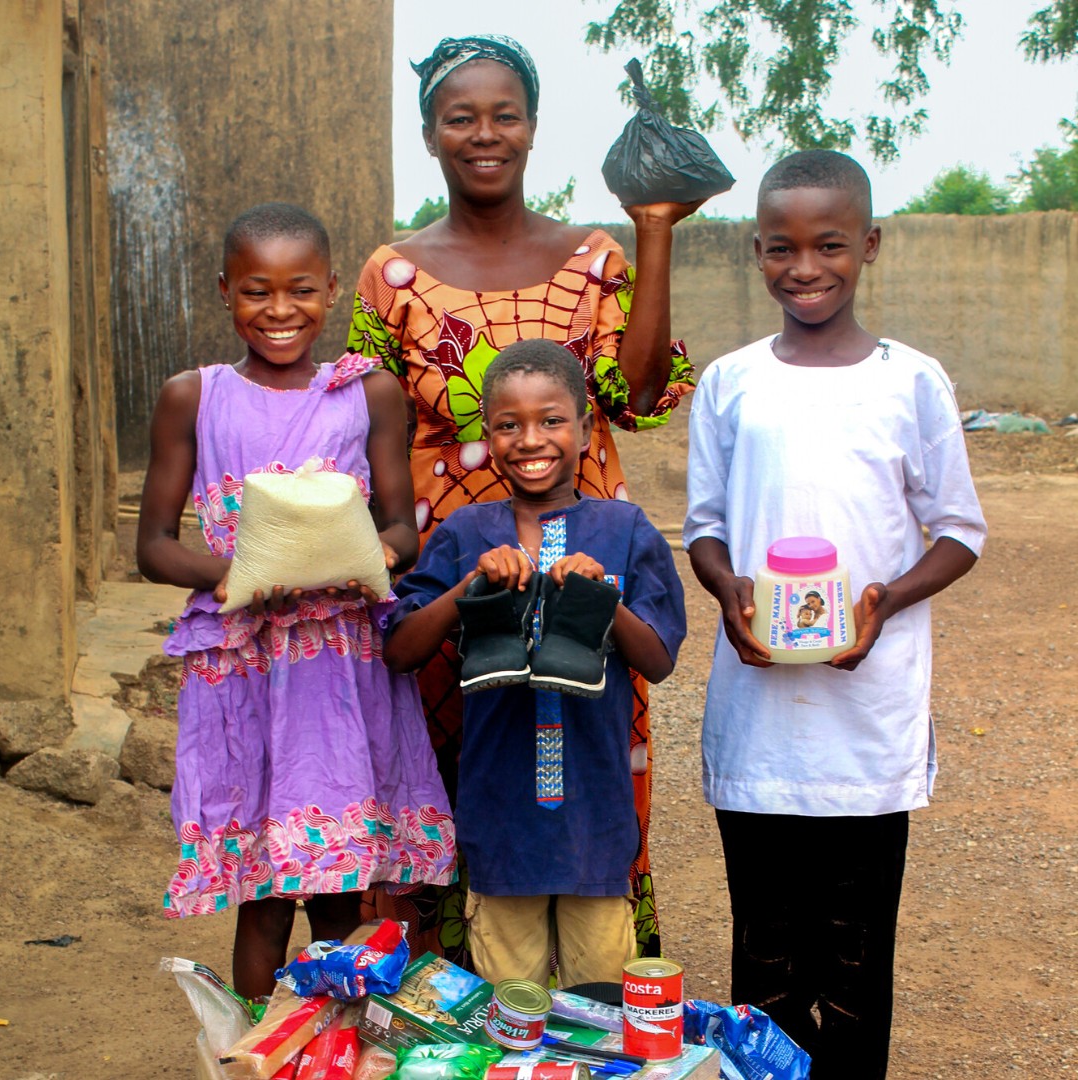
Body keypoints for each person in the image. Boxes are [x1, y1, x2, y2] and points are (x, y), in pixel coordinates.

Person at [346, 33, 705, 963]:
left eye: (505, 114)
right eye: (460, 117)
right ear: (430, 134)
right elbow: (362, 425)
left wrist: (652, 234)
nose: (484, 133)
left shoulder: (590, 260)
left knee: (582, 745)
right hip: (451, 554)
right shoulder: (390, 275)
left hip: (581, 552)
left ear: (534, 128)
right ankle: (458, 994)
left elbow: (640, 397)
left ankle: (596, 973)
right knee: (459, 757)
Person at [683, 150, 987, 1079]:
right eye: (781, 248)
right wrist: (727, 590)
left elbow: (959, 529)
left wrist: (884, 603)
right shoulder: (731, 383)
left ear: (870, 244)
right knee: (764, 954)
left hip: (866, 716)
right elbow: (705, 527)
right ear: (757, 252)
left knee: (856, 955)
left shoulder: (910, 382)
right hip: (760, 716)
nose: (805, 267)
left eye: (828, 245)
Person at [136, 202, 456, 1000]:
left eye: (300, 290)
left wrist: (374, 555)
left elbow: (401, 530)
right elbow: (150, 545)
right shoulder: (194, 397)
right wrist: (240, 574)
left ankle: (336, 1047)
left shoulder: (367, 395)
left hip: (339, 668)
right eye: (256, 292)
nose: (280, 312)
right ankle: (258, 1048)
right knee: (265, 896)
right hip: (243, 663)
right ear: (225, 292)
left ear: (331, 290)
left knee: (342, 887)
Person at [384, 340, 687, 985]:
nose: (531, 440)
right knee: (509, 1010)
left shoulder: (625, 529)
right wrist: (469, 588)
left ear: (584, 428)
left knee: (600, 1010)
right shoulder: (466, 532)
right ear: (488, 436)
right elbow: (401, 649)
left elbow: (658, 660)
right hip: (500, 815)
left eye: (551, 421)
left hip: (595, 818)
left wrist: (601, 600)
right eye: (508, 425)